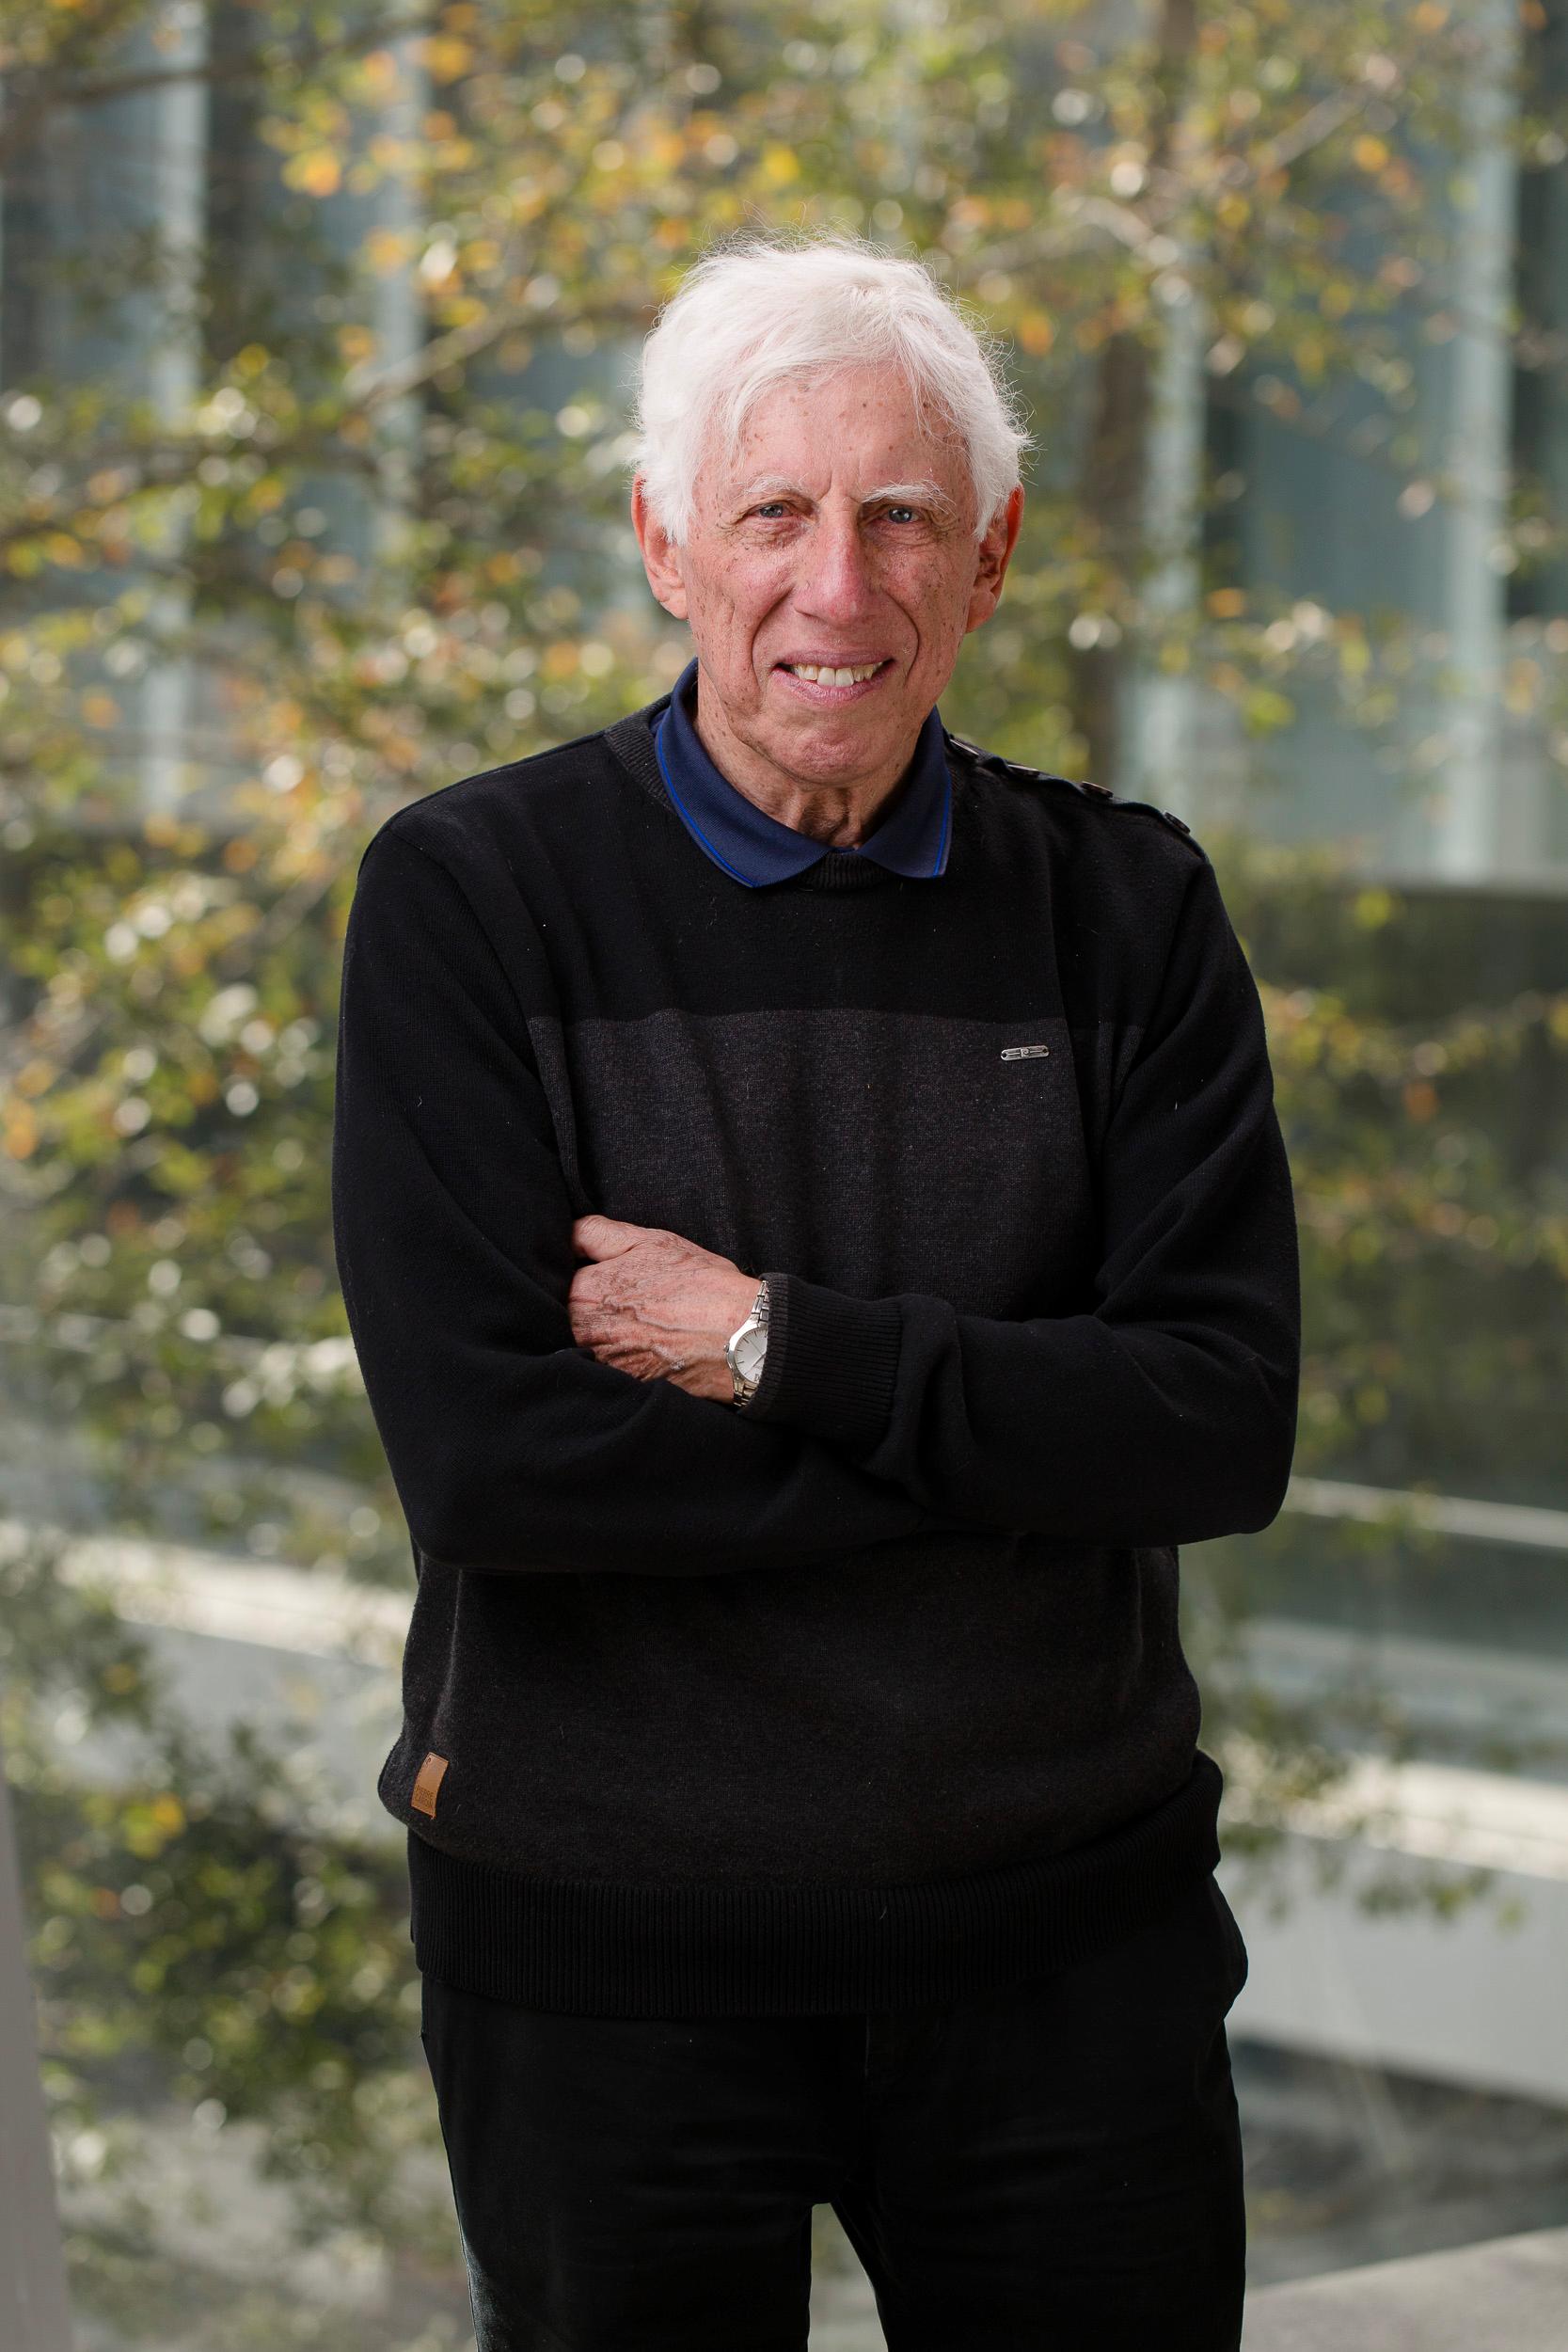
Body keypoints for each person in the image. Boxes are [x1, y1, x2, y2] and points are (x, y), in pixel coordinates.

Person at [330, 229, 1300, 2352]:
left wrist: (774, 1344)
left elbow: (1218, 1431)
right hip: (604, 1971)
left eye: (901, 518)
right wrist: (1019, 1447)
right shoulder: (472, 899)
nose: (836, 589)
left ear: (994, 557)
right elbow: (496, 1468)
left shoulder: (1131, 910)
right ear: (666, 544)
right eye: (773, 512)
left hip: (1071, 1952)